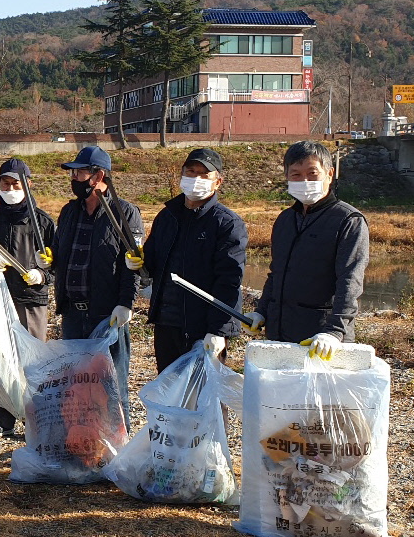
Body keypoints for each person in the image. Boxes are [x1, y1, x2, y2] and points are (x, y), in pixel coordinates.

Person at [125, 148, 247, 371]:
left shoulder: (226, 224)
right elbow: (152, 262)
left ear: (217, 182)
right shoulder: (167, 216)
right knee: (170, 394)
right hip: (166, 323)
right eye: (191, 172)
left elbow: (229, 281)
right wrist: (138, 261)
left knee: (204, 398)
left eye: (204, 175)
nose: (196, 179)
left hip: (203, 328)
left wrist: (219, 331)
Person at [245, 141, 369, 358]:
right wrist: (261, 311)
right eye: (296, 175)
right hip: (280, 334)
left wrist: (334, 331)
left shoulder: (348, 220)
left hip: (322, 340)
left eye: (312, 174)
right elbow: (276, 274)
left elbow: (350, 282)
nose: (304, 181)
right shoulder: (285, 220)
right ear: (287, 177)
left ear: (329, 175)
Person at [0, 158, 56, 438]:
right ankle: (1, 420)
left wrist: (42, 274)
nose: (10, 187)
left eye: (16, 183)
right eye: (5, 183)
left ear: (28, 184)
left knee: (32, 363)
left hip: (32, 300)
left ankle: (34, 420)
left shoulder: (43, 222)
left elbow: (59, 262)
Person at [51, 146, 143, 424]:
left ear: (98, 175)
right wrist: (49, 262)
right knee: (76, 384)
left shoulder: (125, 213)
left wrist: (126, 302)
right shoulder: (69, 211)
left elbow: (133, 263)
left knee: (111, 384)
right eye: (73, 172)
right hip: (73, 314)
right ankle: (81, 447)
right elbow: (59, 253)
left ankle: (116, 448)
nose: (74, 178)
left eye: (80, 172)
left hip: (107, 314)